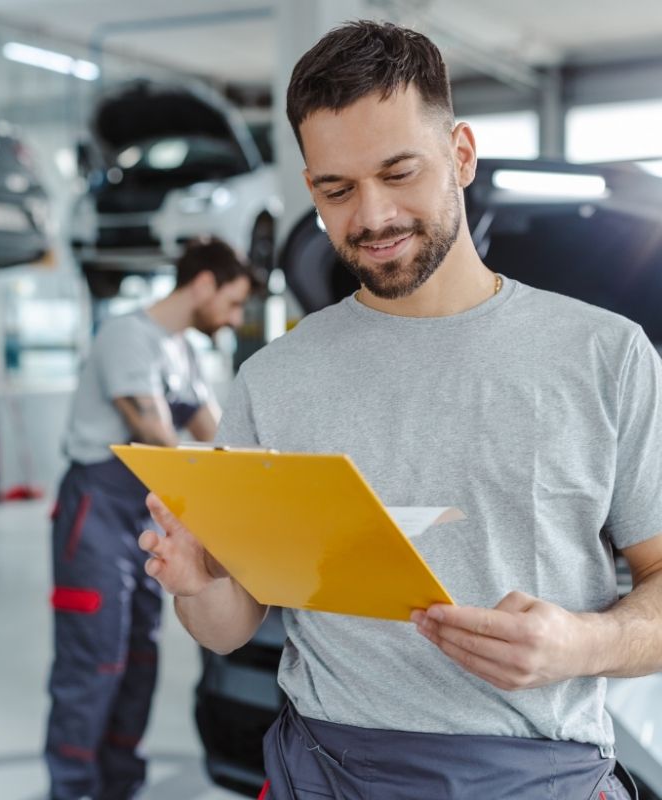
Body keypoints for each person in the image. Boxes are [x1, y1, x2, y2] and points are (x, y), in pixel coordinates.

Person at [137, 21, 662, 800]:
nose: (372, 217)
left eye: (398, 172)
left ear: (460, 154)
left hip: (536, 778)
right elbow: (232, 623)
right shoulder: (274, 378)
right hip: (325, 774)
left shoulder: (605, 357)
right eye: (336, 190)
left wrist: (579, 644)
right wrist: (197, 586)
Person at [44, 236, 258, 800]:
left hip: (143, 515)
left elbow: (219, 439)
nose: (234, 317)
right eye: (232, 303)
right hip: (95, 510)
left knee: (138, 659)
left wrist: (268, 483)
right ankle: (71, 790)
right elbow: (158, 440)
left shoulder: (181, 350)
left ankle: (120, 788)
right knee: (94, 661)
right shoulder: (127, 337)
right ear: (204, 284)